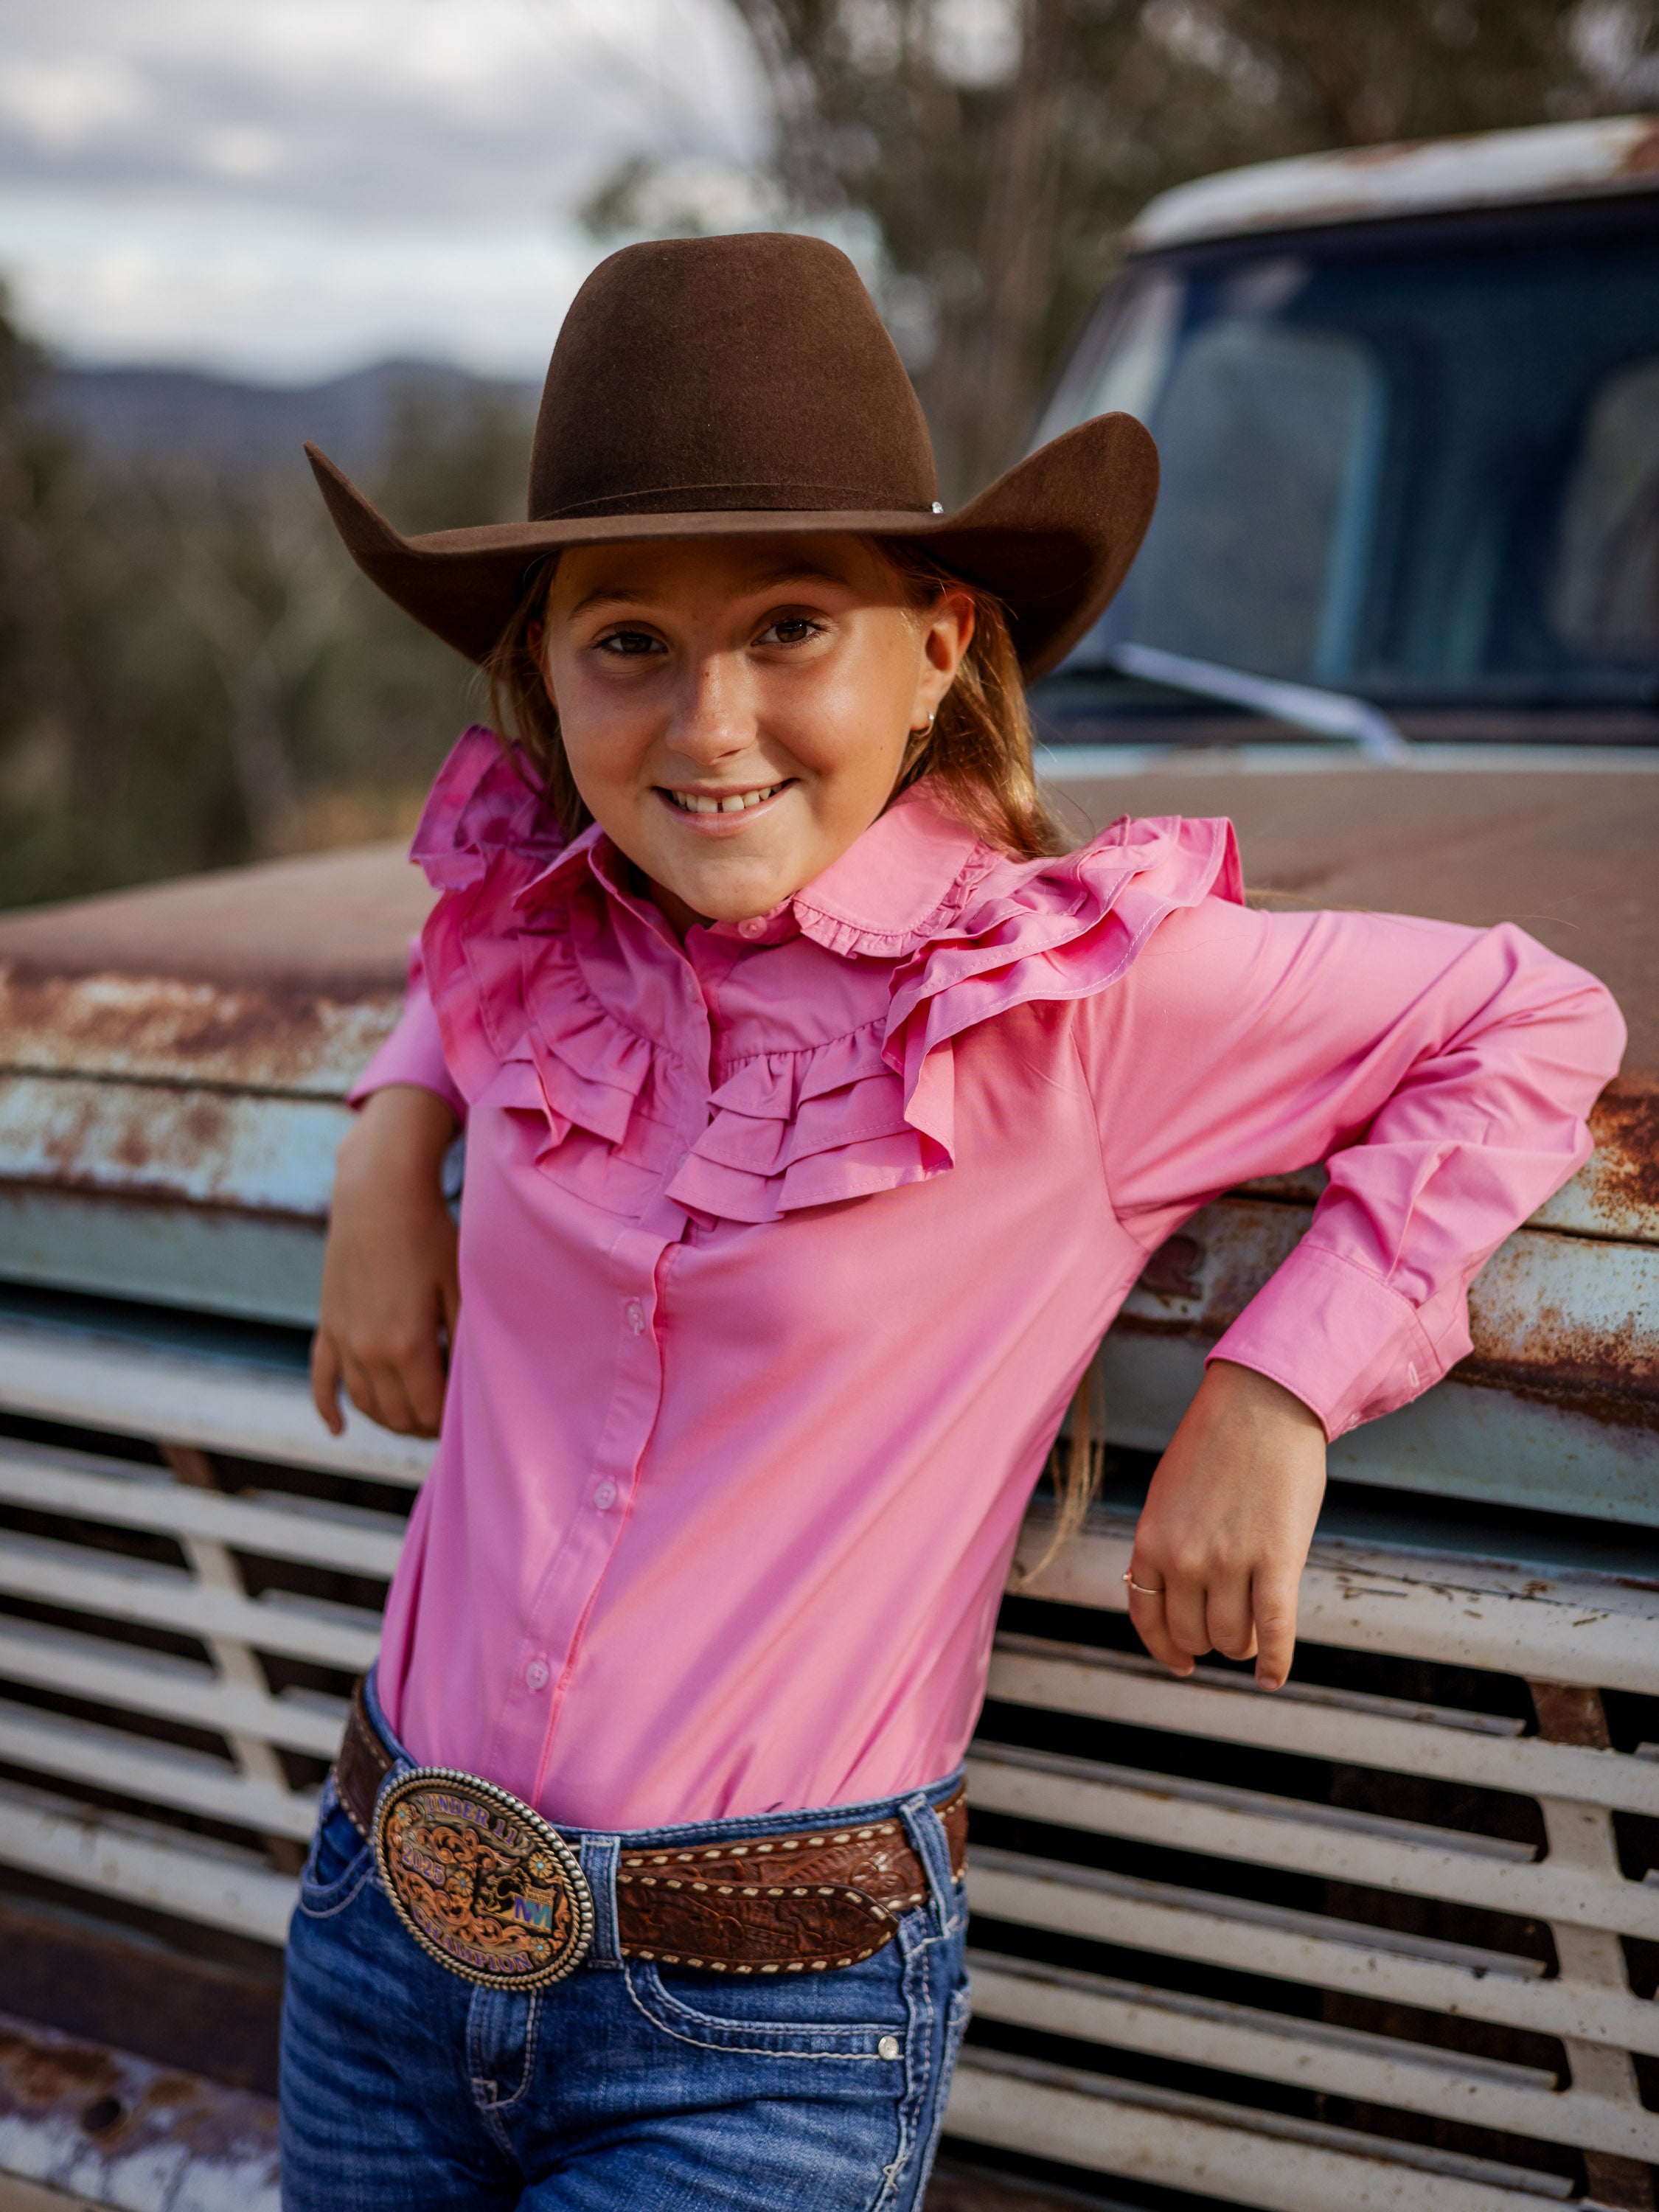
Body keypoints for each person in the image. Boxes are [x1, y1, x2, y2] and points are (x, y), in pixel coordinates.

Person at [281, 232, 1624, 2211]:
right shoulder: (548, 926)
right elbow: (456, 951)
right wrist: (391, 1147)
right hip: (378, 1929)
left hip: (753, 2034)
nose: (708, 724)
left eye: (791, 627)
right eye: (628, 640)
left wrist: (1282, 1383)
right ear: (545, 675)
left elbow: (1525, 1015)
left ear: (936, 648)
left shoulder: (1069, 1002)